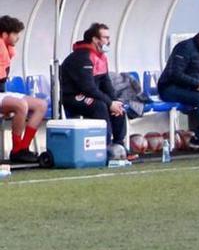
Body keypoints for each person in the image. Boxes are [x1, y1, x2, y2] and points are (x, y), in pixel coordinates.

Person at [60, 23, 128, 153]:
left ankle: (119, 146)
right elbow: (87, 87)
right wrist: (109, 103)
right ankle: (104, 147)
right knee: (100, 106)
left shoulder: (101, 57)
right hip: (71, 96)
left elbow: (106, 83)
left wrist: (114, 102)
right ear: (95, 39)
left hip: (88, 94)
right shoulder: (82, 57)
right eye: (106, 38)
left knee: (119, 106)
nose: (109, 41)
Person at [158, 30, 199, 152]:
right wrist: (198, 84)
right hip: (169, 88)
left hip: (190, 89)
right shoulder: (185, 47)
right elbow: (175, 74)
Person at [0, 16, 48, 163]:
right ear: (4, 34)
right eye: (15, 33)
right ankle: (16, 150)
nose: (18, 37)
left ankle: (23, 148)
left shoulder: (6, 48)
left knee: (41, 105)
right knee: (21, 105)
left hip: (1, 92)